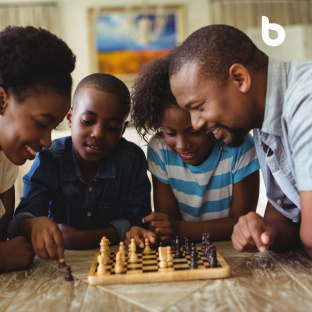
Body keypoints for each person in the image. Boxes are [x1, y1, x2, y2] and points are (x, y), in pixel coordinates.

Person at [168, 24, 312, 257]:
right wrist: (265, 231)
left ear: (239, 78)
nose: (195, 123)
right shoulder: (261, 123)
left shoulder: (306, 101)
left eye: (199, 107)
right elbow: (288, 216)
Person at [125, 50, 260, 249]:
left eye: (195, 131)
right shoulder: (160, 149)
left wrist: (179, 230)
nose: (182, 145)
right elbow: (167, 223)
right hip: (185, 251)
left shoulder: (239, 145)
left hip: (232, 250)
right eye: (171, 132)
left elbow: (241, 223)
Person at [8, 73, 151, 255]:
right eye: (88, 121)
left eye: (113, 127)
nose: (98, 133)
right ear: (69, 117)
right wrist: (34, 225)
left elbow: (140, 222)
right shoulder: (50, 158)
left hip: (117, 259)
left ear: (123, 129)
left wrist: (82, 239)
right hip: (61, 262)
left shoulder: (131, 159)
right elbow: (22, 220)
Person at [0, 25, 76, 271]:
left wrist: (31, 225)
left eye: (53, 127)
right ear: (2, 100)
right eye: (41, 123)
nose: (47, 142)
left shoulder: (6, 160)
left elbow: (4, 237)